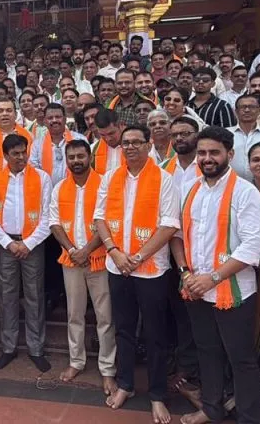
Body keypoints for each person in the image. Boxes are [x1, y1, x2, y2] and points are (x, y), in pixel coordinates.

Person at [171, 127, 260, 424]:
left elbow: (253, 246)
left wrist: (211, 278)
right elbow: (177, 235)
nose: (207, 158)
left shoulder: (245, 192)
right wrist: (185, 272)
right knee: (207, 351)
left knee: (240, 359)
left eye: (214, 152)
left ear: (230, 154)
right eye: (202, 153)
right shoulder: (191, 189)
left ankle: (249, 418)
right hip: (195, 288)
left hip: (233, 291)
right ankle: (211, 408)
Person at [94, 125, 180, 422]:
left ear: (148, 144)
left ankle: (157, 395)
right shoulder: (110, 177)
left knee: (155, 334)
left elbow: (169, 225)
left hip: (151, 271)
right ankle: (126, 384)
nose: (130, 147)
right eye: (126, 143)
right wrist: (114, 251)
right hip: (117, 266)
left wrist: (138, 257)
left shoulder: (164, 179)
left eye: (136, 142)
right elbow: (99, 218)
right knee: (123, 329)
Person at [45, 139, 116, 390]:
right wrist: (73, 250)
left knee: (105, 316)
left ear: (89, 157)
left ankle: (107, 368)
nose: (76, 161)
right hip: (71, 259)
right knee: (74, 314)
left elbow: (108, 221)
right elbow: (54, 223)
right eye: (71, 157)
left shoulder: (105, 184)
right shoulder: (60, 188)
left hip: (100, 260)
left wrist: (87, 250)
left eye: (80, 156)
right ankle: (76, 361)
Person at [0, 133, 53, 372]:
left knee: (34, 295)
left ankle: (36, 348)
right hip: (6, 245)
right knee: (7, 296)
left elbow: (47, 216)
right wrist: (9, 243)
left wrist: (28, 244)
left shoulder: (42, 178)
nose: (21, 157)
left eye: (23, 152)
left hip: (32, 245)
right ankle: (8, 347)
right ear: (5, 156)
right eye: (15, 154)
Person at [29, 103, 84, 182]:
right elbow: (34, 171)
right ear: (44, 121)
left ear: (65, 119)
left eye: (58, 117)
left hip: (75, 187)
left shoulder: (79, 139)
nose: (54, 120)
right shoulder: (36, 145)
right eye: (50, 118)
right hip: (47, 188)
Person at [91, 108, 125, 175]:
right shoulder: (93, 149)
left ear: (121, 125)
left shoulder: (135, 147)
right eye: (102, 135)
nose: (108, 139)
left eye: (111, 133)